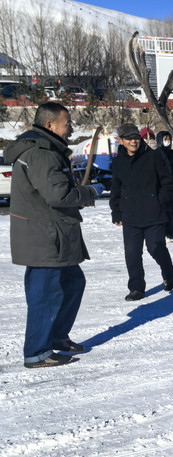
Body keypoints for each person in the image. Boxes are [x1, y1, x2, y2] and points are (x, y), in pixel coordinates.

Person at [7, 102, 103, 368]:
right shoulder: (42, 153)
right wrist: (90, 191)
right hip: (46, 236)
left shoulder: (46, 149)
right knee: (45, 294)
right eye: (67, 123)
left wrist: (79, 196)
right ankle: (37, 352)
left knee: (73, 283)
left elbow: (52, 193)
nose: (70, 128)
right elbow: (58, 195)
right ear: (50, 125)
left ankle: (57, 336)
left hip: (54, 232)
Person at [110, 123, 173, 301]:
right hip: (130, 215)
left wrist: (159, 201)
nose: (133, 141)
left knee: (155, 247)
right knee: (132, 253)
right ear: (121, 141)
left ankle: (168, 272)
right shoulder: (118, 162)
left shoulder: (153, 156)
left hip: (154, 213)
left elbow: (167, 182)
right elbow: (116, 189)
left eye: (136, 138)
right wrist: (116, 212)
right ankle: (136, 288)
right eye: (129, 139)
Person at [155, 130, 173, 241]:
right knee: (162, 209)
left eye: (169, 139)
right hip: (162, 185)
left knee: (170, 209)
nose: (167, 141)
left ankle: (171, 231)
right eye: (165, 139)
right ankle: (162, 232)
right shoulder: (157, 153)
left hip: (172, 185)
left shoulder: (172, 153)